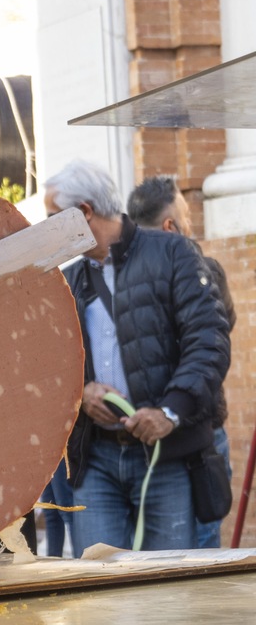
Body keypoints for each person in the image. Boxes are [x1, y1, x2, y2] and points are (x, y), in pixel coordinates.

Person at [44, 159, 229, 556]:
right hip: (97, 459)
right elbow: (48, 369)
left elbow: (209, 340)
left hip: (167, 454)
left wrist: (170, 412)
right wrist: (84, 392)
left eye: (51, 218)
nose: (45, 229)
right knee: (100, 595)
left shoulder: (173, 253)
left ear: (85, 212)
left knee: (166, 598)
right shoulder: (68, 279)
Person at [127, 175, 236, 548]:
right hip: (191, 435)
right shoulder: (201, 267)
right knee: (198, 561)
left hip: (166, 437)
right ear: (171, 226)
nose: (192, 226)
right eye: (188, 216)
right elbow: (218, 335)